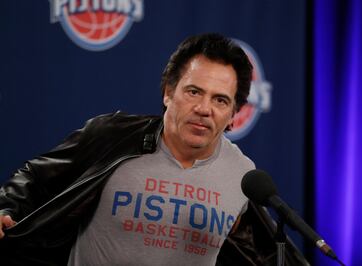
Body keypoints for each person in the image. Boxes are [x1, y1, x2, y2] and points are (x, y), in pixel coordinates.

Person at [0, 33, 308, 265]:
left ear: (233, 113)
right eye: (193, 92)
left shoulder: (243, 176)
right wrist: (6, 208)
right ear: (167, 93)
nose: (204, 108)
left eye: (220, 100)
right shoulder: (113, 136)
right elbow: (34, 178)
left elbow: (260, 252)